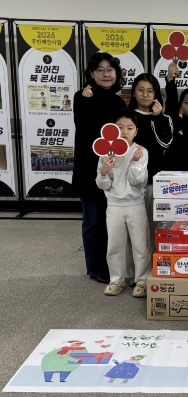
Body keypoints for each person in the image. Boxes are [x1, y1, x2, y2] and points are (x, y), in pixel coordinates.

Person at [72, 52, 126, 284]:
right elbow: (84, 126)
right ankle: (96, 268)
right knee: (93, 221)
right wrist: (86, 100)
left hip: (112, 170)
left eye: (110, 69)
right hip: (89, 169)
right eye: (100, 70)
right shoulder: (82, 96)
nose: (106, 74)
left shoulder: (118, 102)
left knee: (111, 222)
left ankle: (113, 266)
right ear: (91, 74)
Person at [96, 108, 151, 297]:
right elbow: (103, 185)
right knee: (115, 244)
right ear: (112, 129)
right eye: (119, 127)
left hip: (135, 204)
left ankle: (142, 280)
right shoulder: (105, 152)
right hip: (114, 205)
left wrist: (135, 162)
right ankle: (116, 279)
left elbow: (138, 181)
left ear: (136, 131)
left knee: (140, 245)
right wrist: (104, 171)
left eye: (130, 128)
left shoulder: (141, 152)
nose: (125, 132)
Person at [128, 73, 173, 237]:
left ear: (156, 94)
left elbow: (165, 143)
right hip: (129, 181)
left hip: (154, 181)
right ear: (134, 92)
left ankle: (154, 254)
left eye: (150, 91)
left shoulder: (164, 118)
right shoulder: (127, 117)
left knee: (155, 228)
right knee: (133, 229)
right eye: (141, 90)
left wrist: (157, 118)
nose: (145, 95)